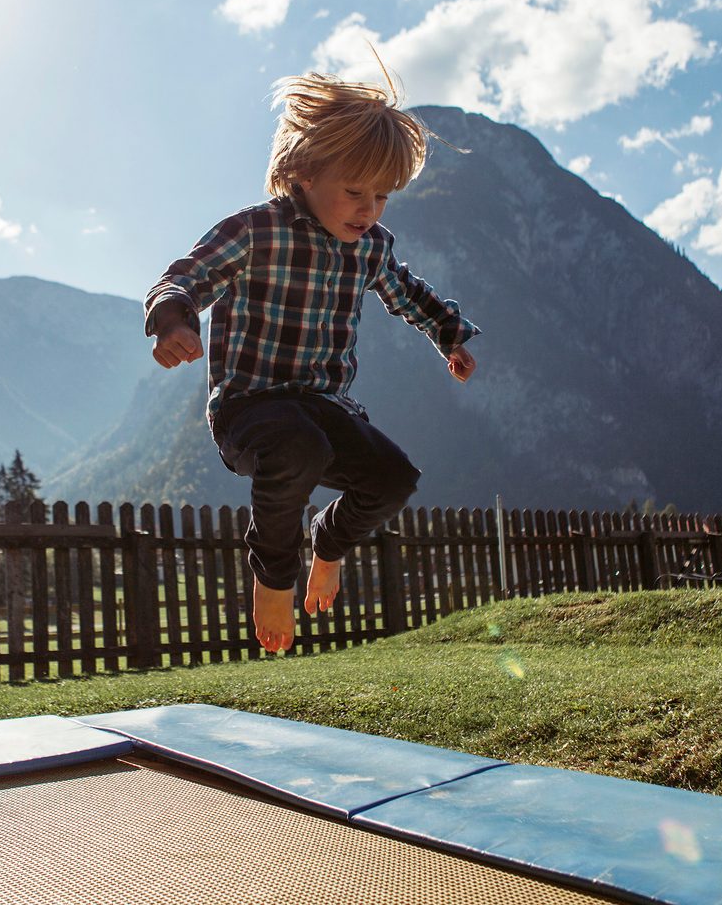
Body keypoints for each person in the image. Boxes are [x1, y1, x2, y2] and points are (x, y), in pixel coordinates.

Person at [144, 71, 480, 654]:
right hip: (251, 406)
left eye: (381, 196)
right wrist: (174, 319)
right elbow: (184, 277)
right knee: (297, 446)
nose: (368, 210)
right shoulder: (255, 230)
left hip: (326, 404)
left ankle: (328, 543)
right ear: (303, 173)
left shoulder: (370, 247)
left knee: (393, 478)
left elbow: (407, 292)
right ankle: (274, 576)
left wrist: (448, 334)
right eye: (355, 192)